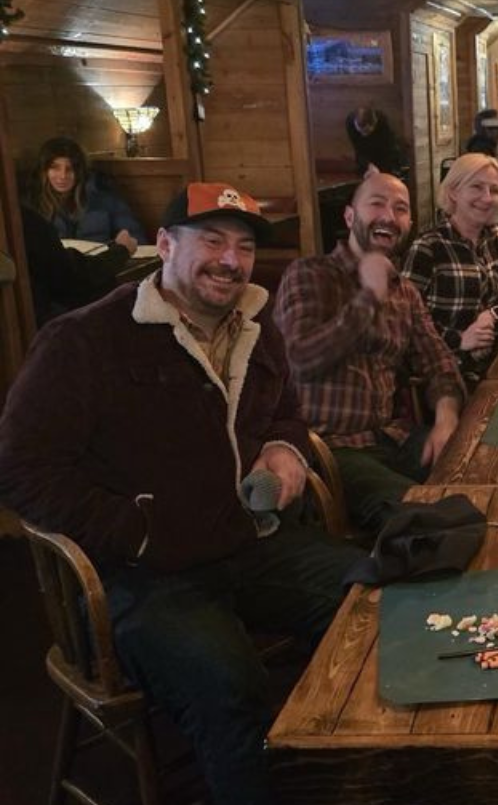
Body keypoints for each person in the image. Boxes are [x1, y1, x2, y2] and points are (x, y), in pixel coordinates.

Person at [0, 182, 358, 805]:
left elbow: (286, 412)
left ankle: (356, 769)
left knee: (373, 598)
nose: (231, 260)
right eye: (212, 241)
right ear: (164, 245)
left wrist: (284, 447)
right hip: (140, 575)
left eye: (244, 247)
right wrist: (137, 531)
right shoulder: (84, 339)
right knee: (231, 684)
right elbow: (21, 467)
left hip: (246, 543)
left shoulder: (256, 324)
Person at [274, 171, 466, 533]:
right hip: (332, 450)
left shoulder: (405, 292)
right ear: (350, 217)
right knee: (426, 521)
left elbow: (439, 361)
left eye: (401, 209)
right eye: (377, 204)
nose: (389, 217)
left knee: (483, 472)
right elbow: (301, 360)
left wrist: (445, 419)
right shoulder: (309, 274)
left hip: (393, 440)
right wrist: (369, 296)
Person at [400, 153, 498, 380]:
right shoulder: (428, 246)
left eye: (494, 190)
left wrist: (493, 315)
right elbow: (405, 318)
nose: (487, 198)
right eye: (476, 187)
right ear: (453, 191)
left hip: (495, 363)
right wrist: (460, 339)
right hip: (444, 370)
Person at [19, 204, 137, 326]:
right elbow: (73, 278)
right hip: (45, 325)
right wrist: (121, 251)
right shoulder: (24, 220)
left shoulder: (105, 201)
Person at [29, 135, 147, 243]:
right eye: (55, 168)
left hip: (101, 258)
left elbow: (135, 237)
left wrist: (121, 247)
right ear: (44, 171)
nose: (63, 175)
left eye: (70, 169)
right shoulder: (33, 202)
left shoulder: (103, 197)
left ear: (79, 172)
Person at [345, 105, 407, 177]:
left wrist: (381, 169)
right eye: (360, 131)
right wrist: (369, 165)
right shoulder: (350, 122)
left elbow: (389, 147)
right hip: (365, 151)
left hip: (382, 150)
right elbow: (358, 149)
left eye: (367, 131)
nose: (364, 135)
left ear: (375, 124)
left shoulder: (383, 122)